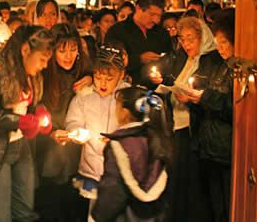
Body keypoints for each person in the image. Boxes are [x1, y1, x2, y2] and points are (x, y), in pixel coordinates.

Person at [0, 26, 55, 222]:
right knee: (0, 216)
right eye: (42, 59)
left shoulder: (32, 74)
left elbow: (28, 104)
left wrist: (38, 111)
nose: (45, 65)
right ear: (25, 50)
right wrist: (17, 121)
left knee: (24, 211)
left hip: (21, 147)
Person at [147, 16, 224, 222]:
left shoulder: (210, 60)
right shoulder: (182, 58)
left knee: (193, 184)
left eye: (191, 39)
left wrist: (193, 98)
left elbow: (210, 94)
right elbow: (175, 81)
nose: (187, 44)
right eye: (183, 39)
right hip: (176, 126)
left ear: (202, 37)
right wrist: (164, 84)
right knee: (178, 181)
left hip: (195, 131)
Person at [65, 45, 130, 220]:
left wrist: (120, 140)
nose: (102, 83)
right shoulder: (84, 95)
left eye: (109, 79)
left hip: (121, 169)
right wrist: (76, 131)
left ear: (121, 75)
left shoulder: (128, 96)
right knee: (95, 214)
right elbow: (73, 120)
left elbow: (139, 127)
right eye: (98, 77)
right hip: (92, 166)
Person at [35, 23, 93, 222]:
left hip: (77, 154)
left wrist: (92, 78)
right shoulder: (42, 74)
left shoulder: (85, 73)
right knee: (52, 205)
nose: (68, 56)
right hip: (49, 150)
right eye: (62, 50)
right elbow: (36, 109)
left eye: (73, 49)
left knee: (75, 206)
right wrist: (50, 132)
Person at [92, 87, 173, 222]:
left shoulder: (120, 145)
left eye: (117, 104)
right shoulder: (157, 138)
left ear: (124, 112)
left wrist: (98, 216)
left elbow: (113, 191)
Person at [197, 8, 234, 222]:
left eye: (224, 43)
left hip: (228, 149)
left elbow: (233, 108)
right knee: (214, 205)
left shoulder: (238, 68)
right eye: (217, 42)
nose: (219, 48)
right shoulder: (216, 63)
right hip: (210, 147)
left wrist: (206, 96)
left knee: (229, 206)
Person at [105, 0, 171, 85]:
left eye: (159, 15)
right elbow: (109, 61)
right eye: (152, 14)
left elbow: (170, 61)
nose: (156, 20)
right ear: (138, 8)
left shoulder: (162, 33)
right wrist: (139, 59)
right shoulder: (117, 31)